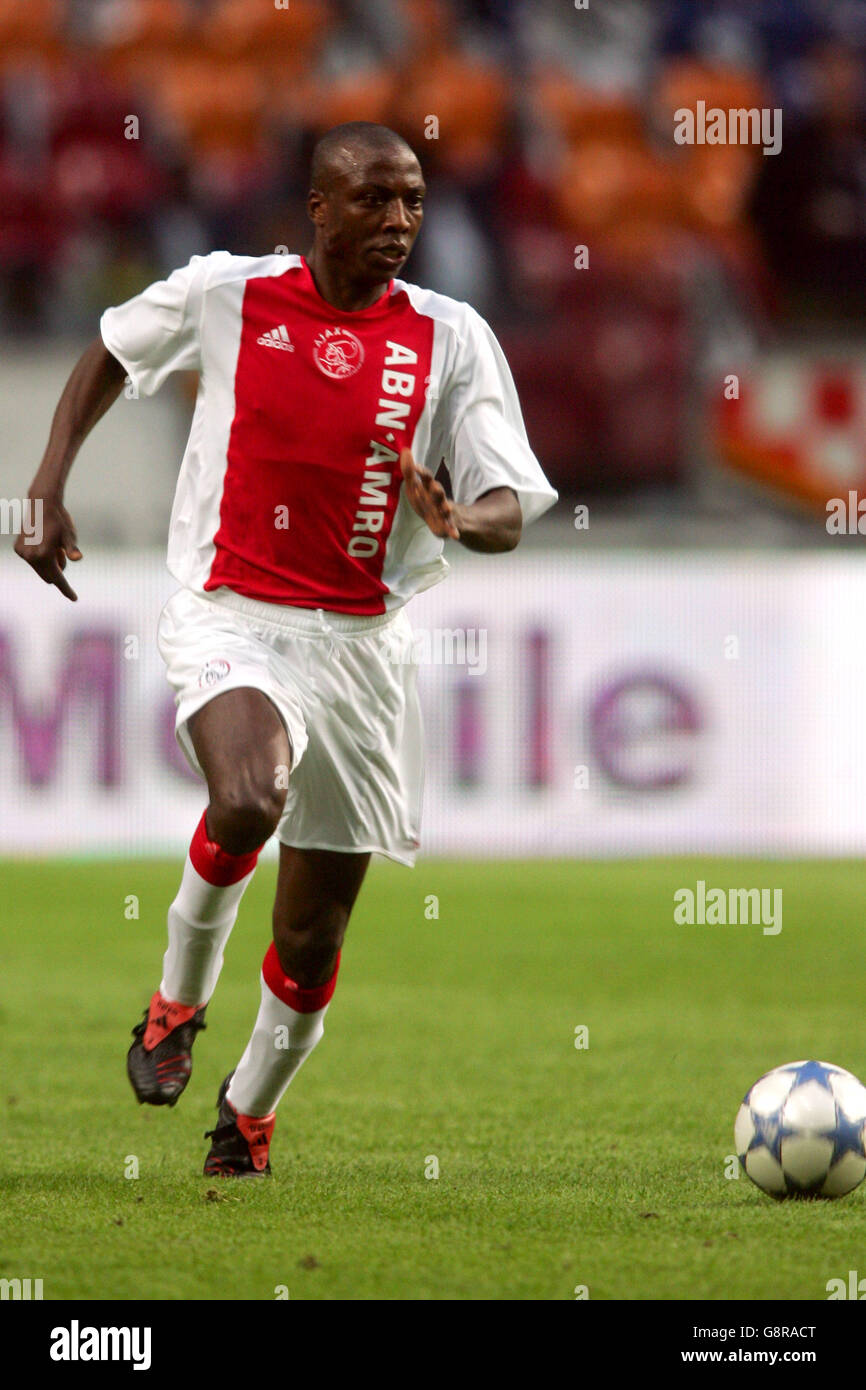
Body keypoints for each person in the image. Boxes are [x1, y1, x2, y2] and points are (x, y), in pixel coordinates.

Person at [15, 122, 557, 1177]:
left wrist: (457, 521)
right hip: (232, 612)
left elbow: (506, 503)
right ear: (318, 209)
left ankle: (249, 1112)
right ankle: (176, 1002)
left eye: (410, 200)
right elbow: (113, 349)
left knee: (311, 941)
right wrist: (44, 484)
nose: (397, 221)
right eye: (372, 200)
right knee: (249, 795)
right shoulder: (229, 293)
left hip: (361, 649)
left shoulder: (451, 337)